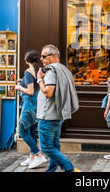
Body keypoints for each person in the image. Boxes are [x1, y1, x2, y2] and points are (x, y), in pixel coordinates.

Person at [36, 44, 80, 172]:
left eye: (44, 56)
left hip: (48, 115)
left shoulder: (50, 70)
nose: (41, 59)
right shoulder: (63, 69)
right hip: (57, 114)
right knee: (55, 145)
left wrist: (39, 79)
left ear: (53, 56)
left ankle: (69, 168)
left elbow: (48, 92)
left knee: (46, 148)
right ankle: (51, 170)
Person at [15, 50, 47, 169]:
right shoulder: (37, 70)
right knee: (32, 132)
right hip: (36, 105)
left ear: (26, 60)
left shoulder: (28, 72)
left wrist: (18, 86)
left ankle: (39, 155)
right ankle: (32, 158)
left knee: (23, 132)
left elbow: (30, 91)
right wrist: (22, 82)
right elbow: (33, 86)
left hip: (28, 106)